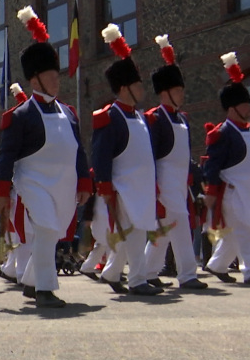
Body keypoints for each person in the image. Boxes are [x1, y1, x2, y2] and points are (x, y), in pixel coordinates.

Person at [0, 7, 91, 307]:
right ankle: (45, 290)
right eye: (51, 74)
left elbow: (78, 149)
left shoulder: (70, 113)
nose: (57, 79)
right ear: (35, 80)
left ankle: (31, 280)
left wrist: (85, 180)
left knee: (54, 230)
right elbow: (6, 157)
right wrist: (0, 192)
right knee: (47, 227)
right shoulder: (19, 116)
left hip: (63, 185)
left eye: (57, 73)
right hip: (32, 181)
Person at [91, 24, 163, 296]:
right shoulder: (109, 117)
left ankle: (111, 272)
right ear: (124, 89)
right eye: (137, 84)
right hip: (122, 186)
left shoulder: (141, 116)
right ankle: (137, 280)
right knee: (133, 233)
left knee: (133, 232)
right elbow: (101, 154)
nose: (142, 89)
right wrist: (105, 187)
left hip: (141, 185)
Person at [142, 35, 207, 290]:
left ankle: (148, 271)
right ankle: (188, 274)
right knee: (178, 224)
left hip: (181, 182)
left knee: (167, 228)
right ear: (165, 92)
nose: (182, 94)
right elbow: (151, 155)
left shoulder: (184, 119)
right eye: (178, 90)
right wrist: (155, 187)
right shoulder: (155, 119)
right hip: (164, 180)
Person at [203, 52, 250, 283]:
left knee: (232, 235)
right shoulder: (221, 133)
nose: (248, 108)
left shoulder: (247, 129)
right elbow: (212, 165)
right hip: (233, 193)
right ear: (232, 108)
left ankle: (217, 264)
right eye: (244, 104)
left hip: (247, 189)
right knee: (245, 230)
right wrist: (211, 192)